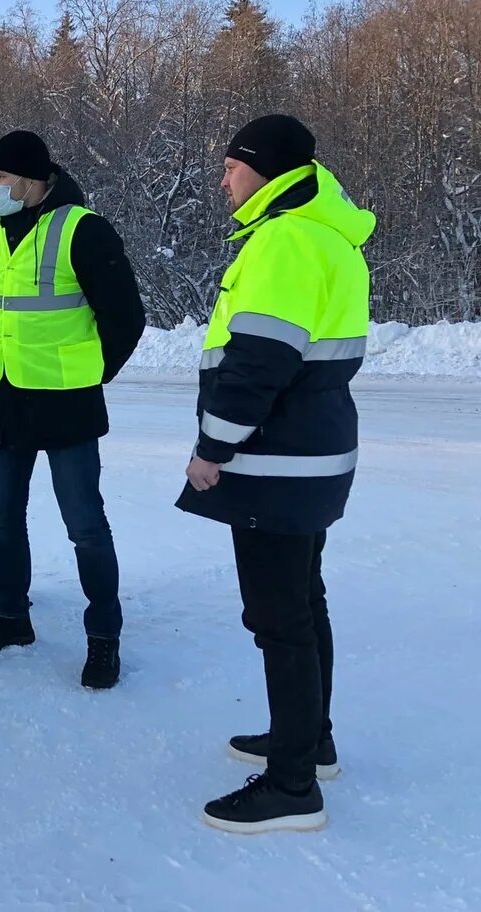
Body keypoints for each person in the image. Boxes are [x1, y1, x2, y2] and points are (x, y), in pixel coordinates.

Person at [177, 115, 373, 834]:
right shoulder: (328, 236)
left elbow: (258, 362)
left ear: (263, 168)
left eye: (231, 165)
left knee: (279, 616)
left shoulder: (286, 240)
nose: (224, 178)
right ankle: (308, 740)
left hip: (274, 461)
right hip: (309, 455)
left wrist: (212, 450)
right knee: (301, 602)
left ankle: (292, 787)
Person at [0, 130, 145, 691]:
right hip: (3, 399)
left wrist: (90, 371)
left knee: (84, 526)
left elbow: (125, 317)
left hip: (66, 404)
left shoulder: (81, 229)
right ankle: (11, 619)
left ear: (31, 179)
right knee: (0, 519)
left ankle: (103, 637)